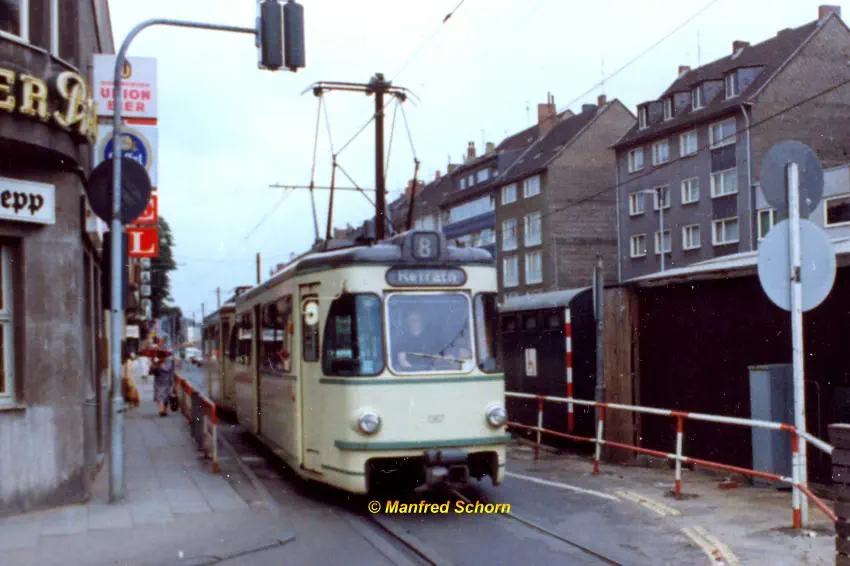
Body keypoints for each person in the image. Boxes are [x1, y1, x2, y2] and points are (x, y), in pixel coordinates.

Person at [395, 310, 472, 371]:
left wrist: (450, 354)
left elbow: (445, 349)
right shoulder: (402, 340)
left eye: (417, 319)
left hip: (434, 369)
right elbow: (401, 359)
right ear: (407, 322)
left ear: (422, 321)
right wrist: (409, 368)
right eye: (411, 320)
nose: (414, 322)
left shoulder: (433, 337)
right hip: (411, 372)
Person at [151, 337, 175, 417]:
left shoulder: (167, 357)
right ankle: (162, 410)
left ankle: (163, 410)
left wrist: (157, 364)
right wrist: (154, 364)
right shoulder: (158, 356)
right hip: (161, 379)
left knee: (164, 395)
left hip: (165, 379)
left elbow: (169, 369)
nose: (160, 342)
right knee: (162, 395)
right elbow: (153, 369)